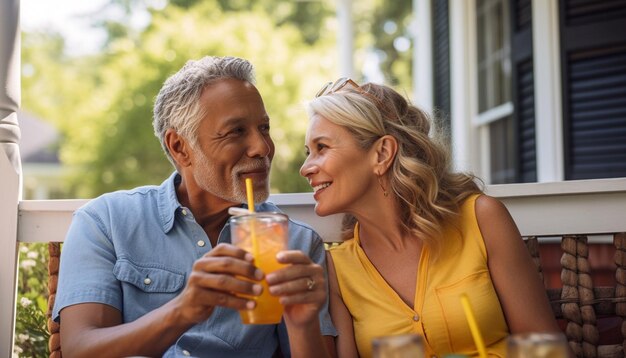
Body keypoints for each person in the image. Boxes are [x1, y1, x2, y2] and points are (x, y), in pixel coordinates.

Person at [52, 56, 336, 358]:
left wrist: (303, 324)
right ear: (180, 147)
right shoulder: (106, 221)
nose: (262, 147)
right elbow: (79, 349)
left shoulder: (296, 245)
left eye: (264, 128)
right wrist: (182, 310)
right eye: (236, 131)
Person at [299, 78, 562, 357]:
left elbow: (542, 347)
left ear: (382, 153)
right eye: (308, 153)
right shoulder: (338, 269)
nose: (305, 168)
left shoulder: (481, 219)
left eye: (322, 147)